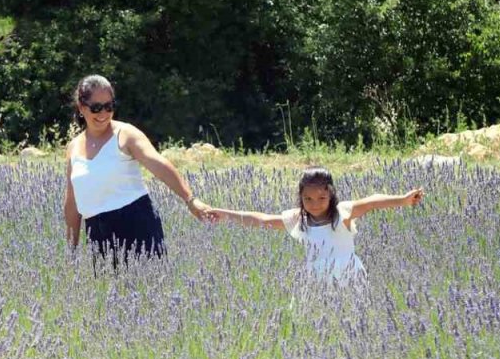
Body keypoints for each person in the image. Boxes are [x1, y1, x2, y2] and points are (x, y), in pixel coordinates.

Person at [63, 75, 212, 266]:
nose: (104, 113)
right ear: (82, 108)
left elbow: (158, 165)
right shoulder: (73, 147)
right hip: (97, 234)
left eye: (109, 106)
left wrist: (191, 200)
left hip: (135, 225)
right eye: (96, 108)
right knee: (108, 294)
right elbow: (72, 202)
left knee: (148, 291)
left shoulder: (125, 135)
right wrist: (71, 250)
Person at [207, 167, 424, 285]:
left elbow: (373, 201)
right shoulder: (298, 219)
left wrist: (403, 200)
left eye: (321, 198)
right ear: (301, 199)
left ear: (331, 195)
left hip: (348, 276)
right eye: (308, 199)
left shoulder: (342, 213)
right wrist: (225, 214)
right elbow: (262, 220)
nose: (315, 204)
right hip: (316, 279)